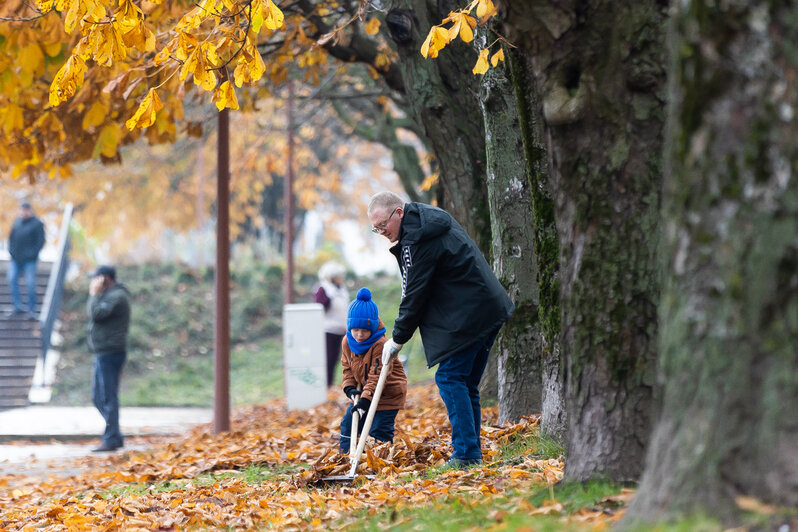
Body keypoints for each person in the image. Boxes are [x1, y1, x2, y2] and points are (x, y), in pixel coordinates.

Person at [367, 191, 514, 469]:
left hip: (471, 313)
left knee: (449, 378)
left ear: (398, 213)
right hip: (482, 308)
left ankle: (466, 454)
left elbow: (415, 294)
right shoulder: (421, 225)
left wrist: (397, 339)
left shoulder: (419, 237)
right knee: (465, 382)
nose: (382, 231)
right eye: (376, 228)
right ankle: (470, 453)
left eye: (383, 224)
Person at [339, 287, 406, 453]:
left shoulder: (381, 344)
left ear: (373, 327)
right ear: (349, 327)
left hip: (388, 392)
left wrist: (365, 400)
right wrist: (349, 388)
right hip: (365, 393)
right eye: (356, 330)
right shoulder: (347, 342)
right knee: (349, 423)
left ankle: (380, 462)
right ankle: (346, 457)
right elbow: (347, 367)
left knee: (378, 429)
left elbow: (377, 376)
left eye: (365, 330)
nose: (360, 335)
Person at [87, 265, 131, 452]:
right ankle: (115, 433)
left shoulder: (117, 296)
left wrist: (94, 294)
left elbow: (97, 314)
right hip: (103, 352)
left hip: (111, 352)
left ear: (106, 279)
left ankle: (112, 437)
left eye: (96, 278)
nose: (93, 282)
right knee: (97, 397)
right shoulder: (109, 295)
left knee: (108, 397)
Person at [6, 201, 45, 319]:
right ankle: (17, 305)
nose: (23, 212)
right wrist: (11, 252)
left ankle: (32, 310)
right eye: (21, 210)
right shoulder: (17, 222)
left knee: (30, 283)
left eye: (25, 210)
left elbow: (40, 241)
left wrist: (32, 254)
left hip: (29, 260)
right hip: (16, 259)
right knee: (12, 279)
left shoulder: (37, 223)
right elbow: (11, 238)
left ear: (30, 210)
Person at [313, 261, 349, 387]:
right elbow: (320, 306)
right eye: (339, 276)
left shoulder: (342, 289)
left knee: (335, 359)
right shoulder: (323, 288)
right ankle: (325, 386)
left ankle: (330, 384)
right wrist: (330, 295)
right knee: (327, 359)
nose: (342, 278)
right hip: (328, 330)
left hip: (341, 329)